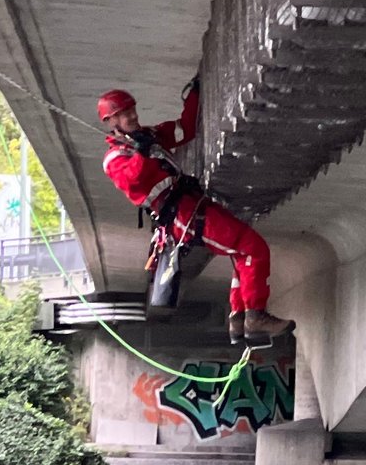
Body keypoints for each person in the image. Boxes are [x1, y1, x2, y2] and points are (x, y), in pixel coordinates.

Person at [97, 79, 294, 343]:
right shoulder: (114, 159)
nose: (131, 116)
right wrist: (142, 152)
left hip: (190, 205)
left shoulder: (150, 136)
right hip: (180, 215)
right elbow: (133, 180)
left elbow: (185, 129)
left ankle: (240, 318)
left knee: (242, 252)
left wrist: (195, 94)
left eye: (131, 110)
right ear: (111, 122)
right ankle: (255, 316)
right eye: (123, 114)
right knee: (252, 248)